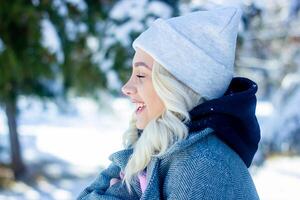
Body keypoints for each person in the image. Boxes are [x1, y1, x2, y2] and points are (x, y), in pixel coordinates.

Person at [77, 6, 261, 200]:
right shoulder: (156, 147)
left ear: (176, 86)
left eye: (140, 74)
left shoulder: (200, 164)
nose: (126, 88)